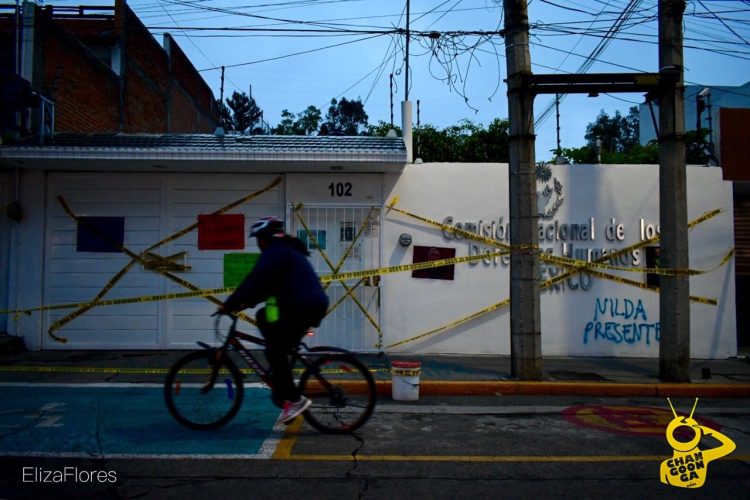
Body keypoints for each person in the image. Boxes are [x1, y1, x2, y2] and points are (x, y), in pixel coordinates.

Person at [217, 216, 329, 424]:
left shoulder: (276, 252)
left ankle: (294, 399)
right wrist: (245, 303)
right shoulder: (284, 250)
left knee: (274, 351)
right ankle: (282, 382)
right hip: (304, 305)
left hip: (303, 307)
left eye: (258, 239)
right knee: (263, 318)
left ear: (265, 238)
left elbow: (255, 280)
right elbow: (267, 286)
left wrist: (230, 304)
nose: (258, 244)